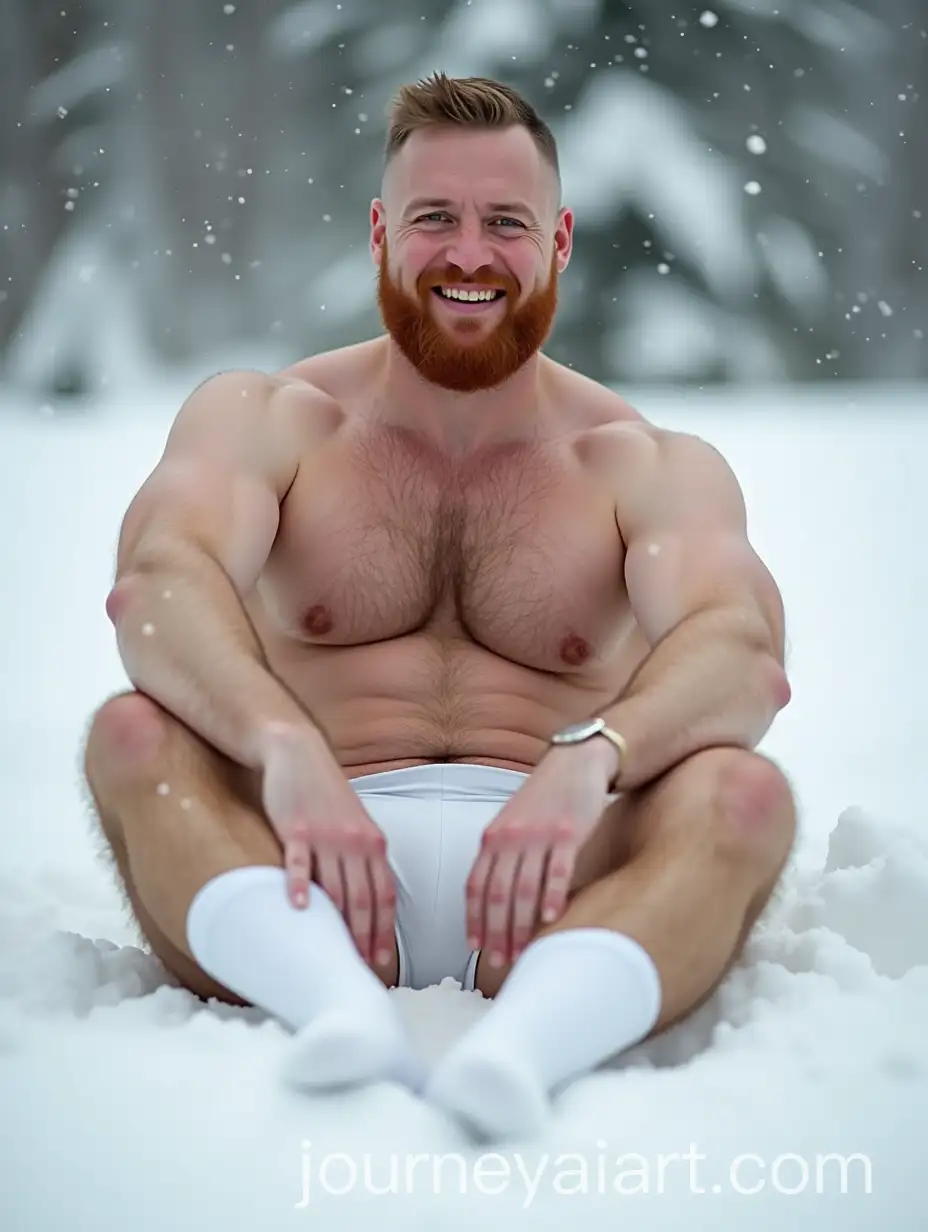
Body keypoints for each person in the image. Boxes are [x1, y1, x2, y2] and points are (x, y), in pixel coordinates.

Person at [82, 73, 795, 1142]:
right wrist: (281, 740)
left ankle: (523, 1051)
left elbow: (739, 648)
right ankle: (339, 1011)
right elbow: (160, 582)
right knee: (130, 733)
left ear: (559, 241)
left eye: (504, 222)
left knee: (744, 795)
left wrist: (589, 752)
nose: (469, 254)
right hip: (301, 872)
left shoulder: (640, 462)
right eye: (434, 219)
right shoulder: (273, 418)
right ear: (381, 232)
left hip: (561, 885)